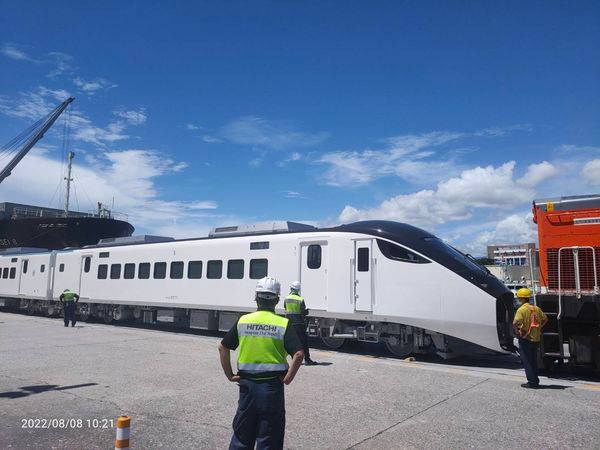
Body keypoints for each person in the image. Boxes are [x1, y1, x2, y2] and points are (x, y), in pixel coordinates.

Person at [219, 277, 304, 450]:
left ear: (256, 297)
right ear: (277, 300)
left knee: (242, 436)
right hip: (272, 388)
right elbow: (299, 354)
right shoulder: (283, 323)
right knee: (269, 439)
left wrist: (230, 375)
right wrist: (287, 378)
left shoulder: (243, 320)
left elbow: (223, 348)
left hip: (247, 387)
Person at [513, 287, 548, 389]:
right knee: (533, 360)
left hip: (525, 338)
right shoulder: (536, 308)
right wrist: (539, 327)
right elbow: (545, 319)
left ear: (521, 298)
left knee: (527, 361)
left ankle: (532, 382)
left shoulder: (521, 309)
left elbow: (515, 323)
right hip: (536, 338)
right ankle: (535, 380)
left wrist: (517, 332)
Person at [284, 281, 317, 365]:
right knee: (304, 342)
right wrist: (306, 312)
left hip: (289, 324)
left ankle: (294, 359)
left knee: (292, 342)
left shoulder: (286, 298)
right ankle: (307, 359)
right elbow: (302, 312)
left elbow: (286, 309)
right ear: (298, 290)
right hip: (299, 324)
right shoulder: (300, 299)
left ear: (291, 288)